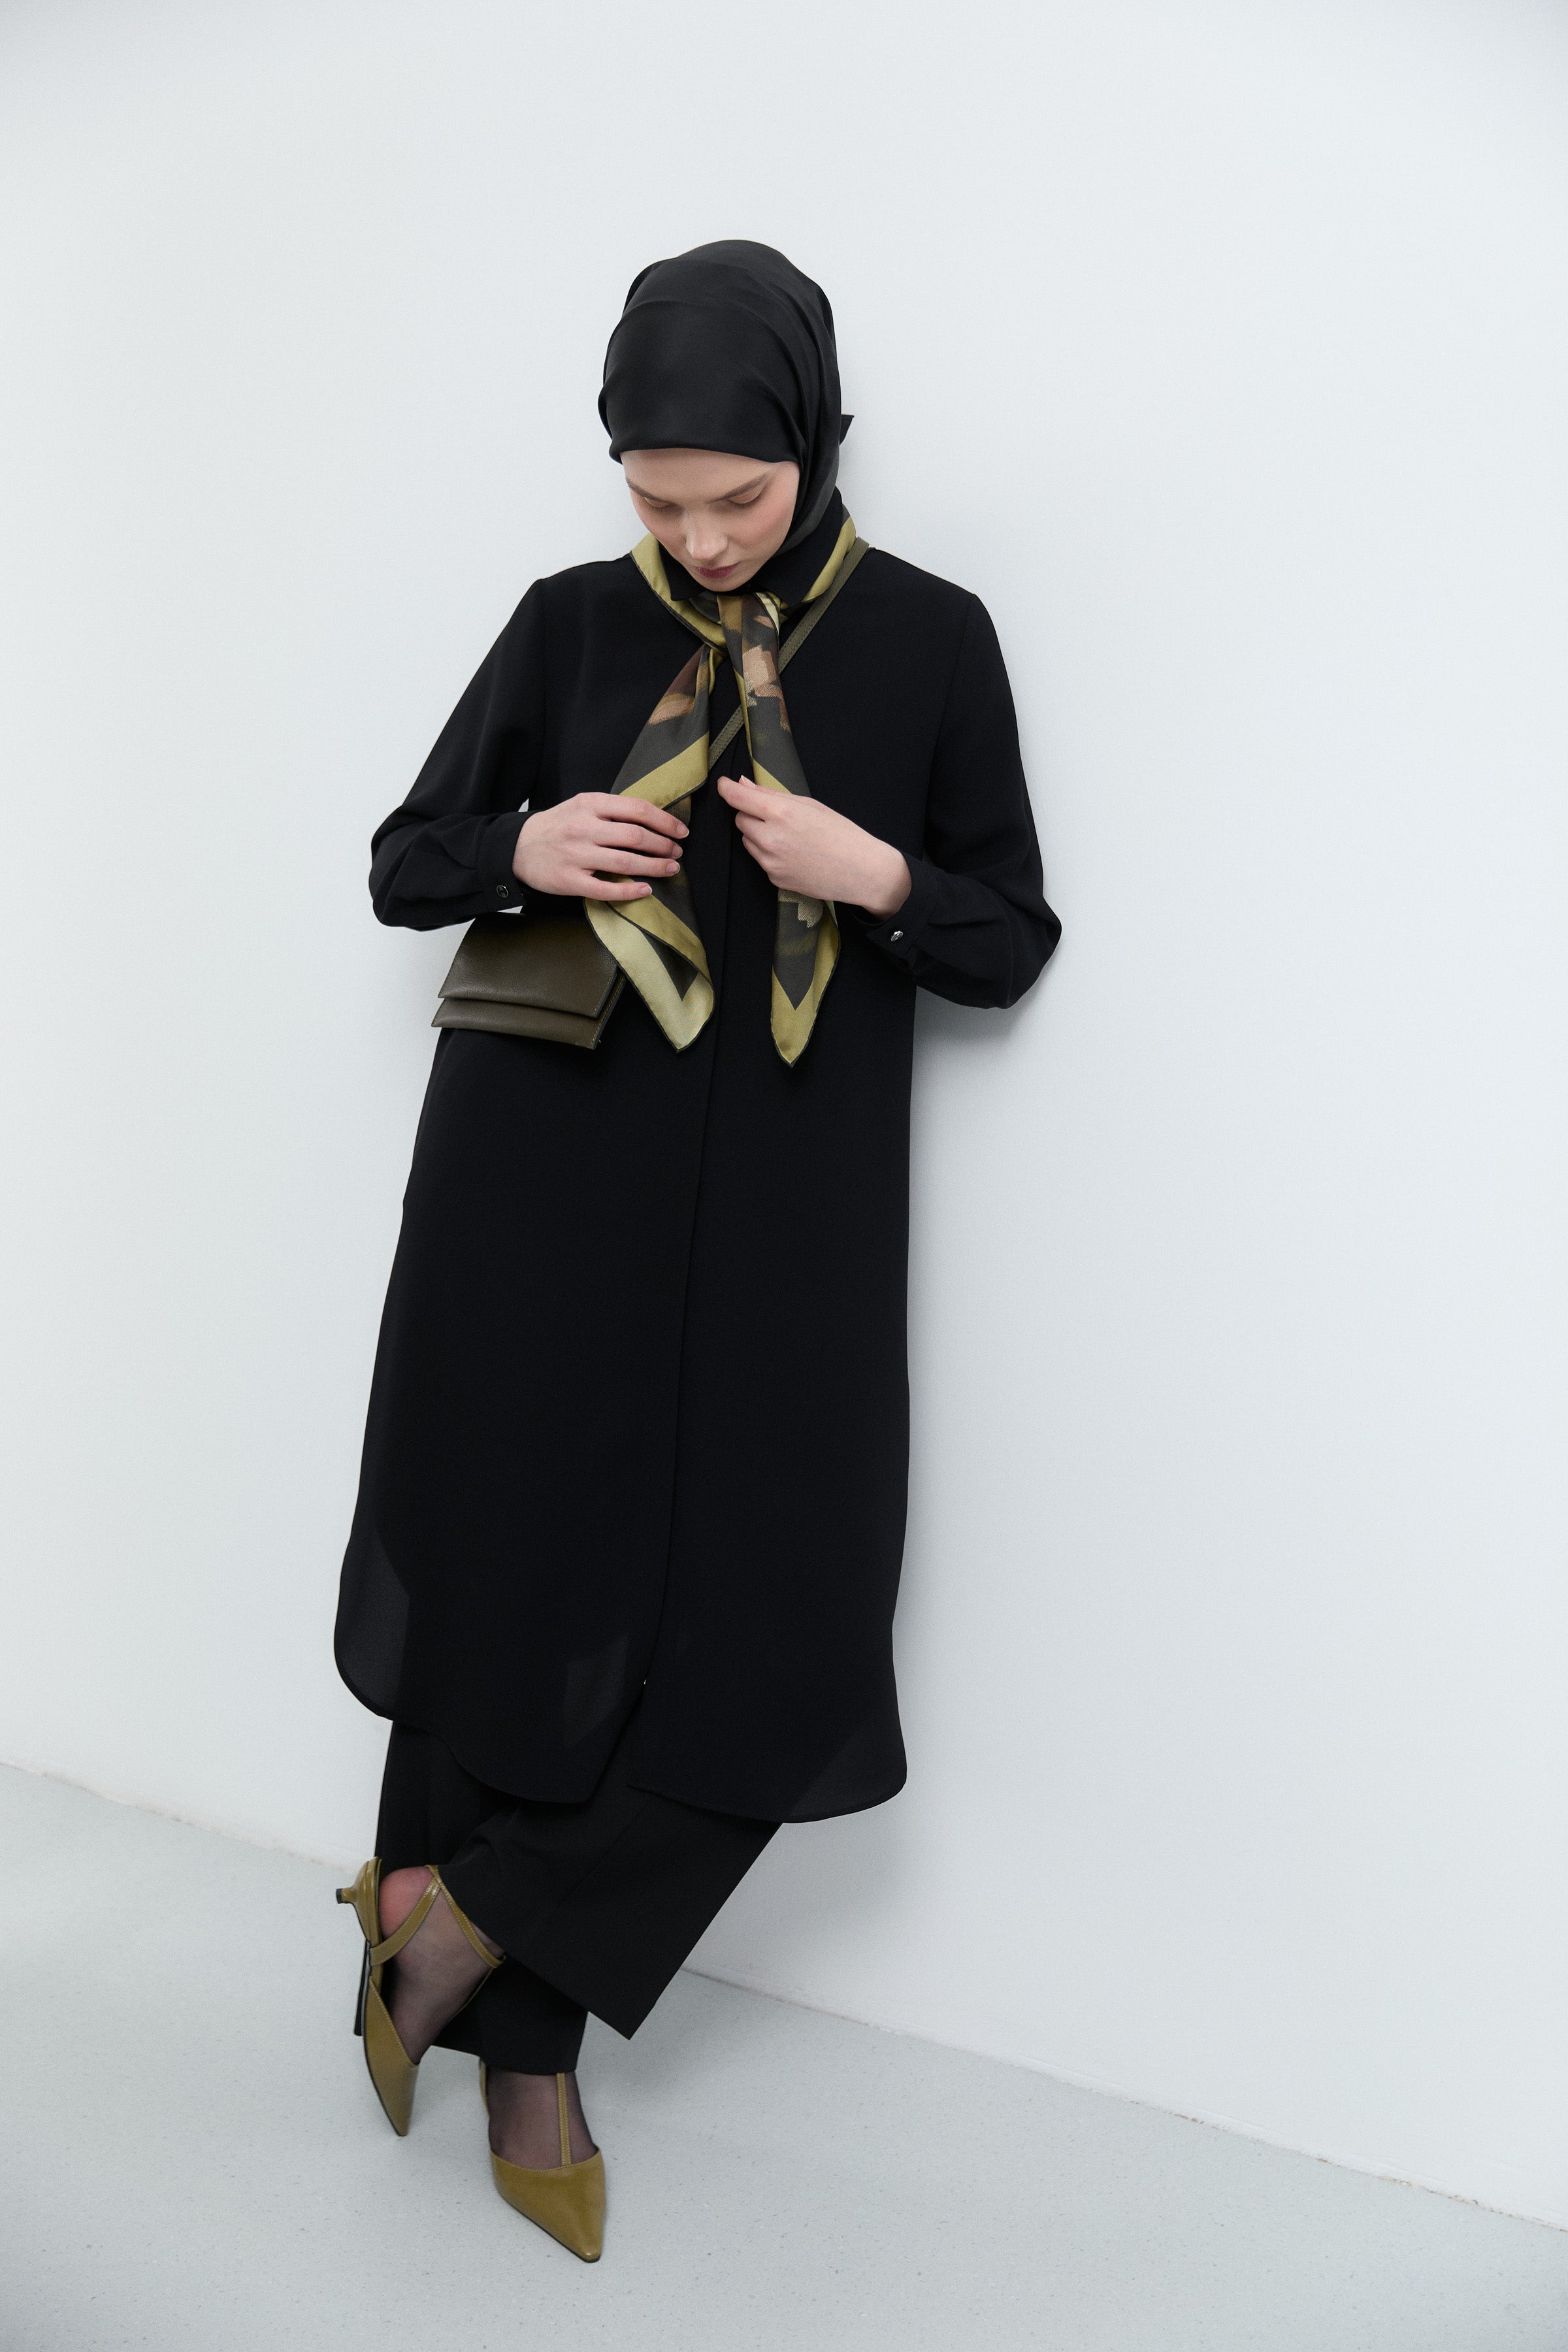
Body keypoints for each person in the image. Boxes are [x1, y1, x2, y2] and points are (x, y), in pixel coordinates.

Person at [333, 238, 1060, 2261]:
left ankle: (452, 1926)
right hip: (537, 1181)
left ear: (817, 443)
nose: (703, 540)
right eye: (659, 503)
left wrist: (881, 871)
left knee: (784, 1630)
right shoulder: (570, 622)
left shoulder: (931, 640)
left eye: (737, 498)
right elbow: (405, 862)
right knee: (512, 1567)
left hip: (788, 1233)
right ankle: (528, 2055)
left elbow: (1009, 935)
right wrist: (525, 843)